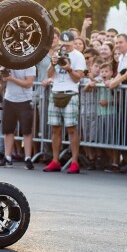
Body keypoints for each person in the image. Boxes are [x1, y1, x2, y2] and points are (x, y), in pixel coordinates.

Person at [42, 31, 86, 174]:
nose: (65, 47)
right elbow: (49, 75)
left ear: (73, 43)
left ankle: (74, 162)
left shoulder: (78, 56)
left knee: (72, 129)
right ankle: (55, 160)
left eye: (67, 45)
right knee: (55, 129)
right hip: (56, 92)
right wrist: (53, 64)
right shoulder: (56, 53)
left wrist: (68, 68)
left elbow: (77, 79)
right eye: (63, 45)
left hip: (70, 93)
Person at [0, 65, 37, 170]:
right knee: (8, 130)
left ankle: (28, 158)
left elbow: (29, 83)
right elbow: (3, 83)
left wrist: (11, 78)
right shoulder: (9, 64)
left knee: (26, 130)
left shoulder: (30, 65)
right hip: (9, 99)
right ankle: (7, 157)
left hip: (25, 100)